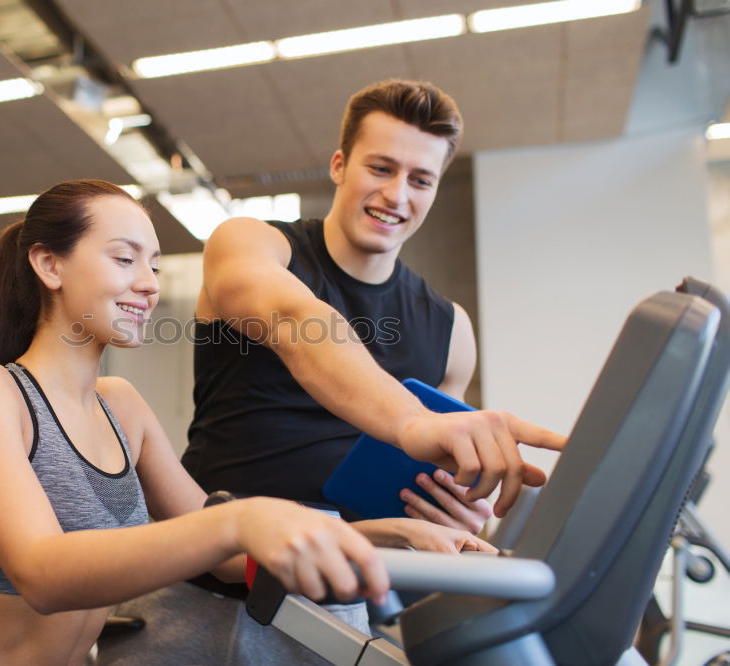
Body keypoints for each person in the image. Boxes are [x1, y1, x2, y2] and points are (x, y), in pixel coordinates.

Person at [98, 79, 564, 664]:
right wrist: (413, 423)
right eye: (381, 168)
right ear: (340, 165)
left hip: (334, 611)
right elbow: (296, 321)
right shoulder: (253, 244)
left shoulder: (450, 329)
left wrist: (459, 503)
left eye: (421, 180)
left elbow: (430, 486)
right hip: (200, 590)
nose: (397, 194)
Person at [0, 180, 396, 666]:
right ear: (49, 265)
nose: (149, 283)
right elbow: (41, 574)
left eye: (154, 265)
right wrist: (239, 520)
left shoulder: (121, 406)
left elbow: (226, 561)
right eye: (125, 259)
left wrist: (376, 535)